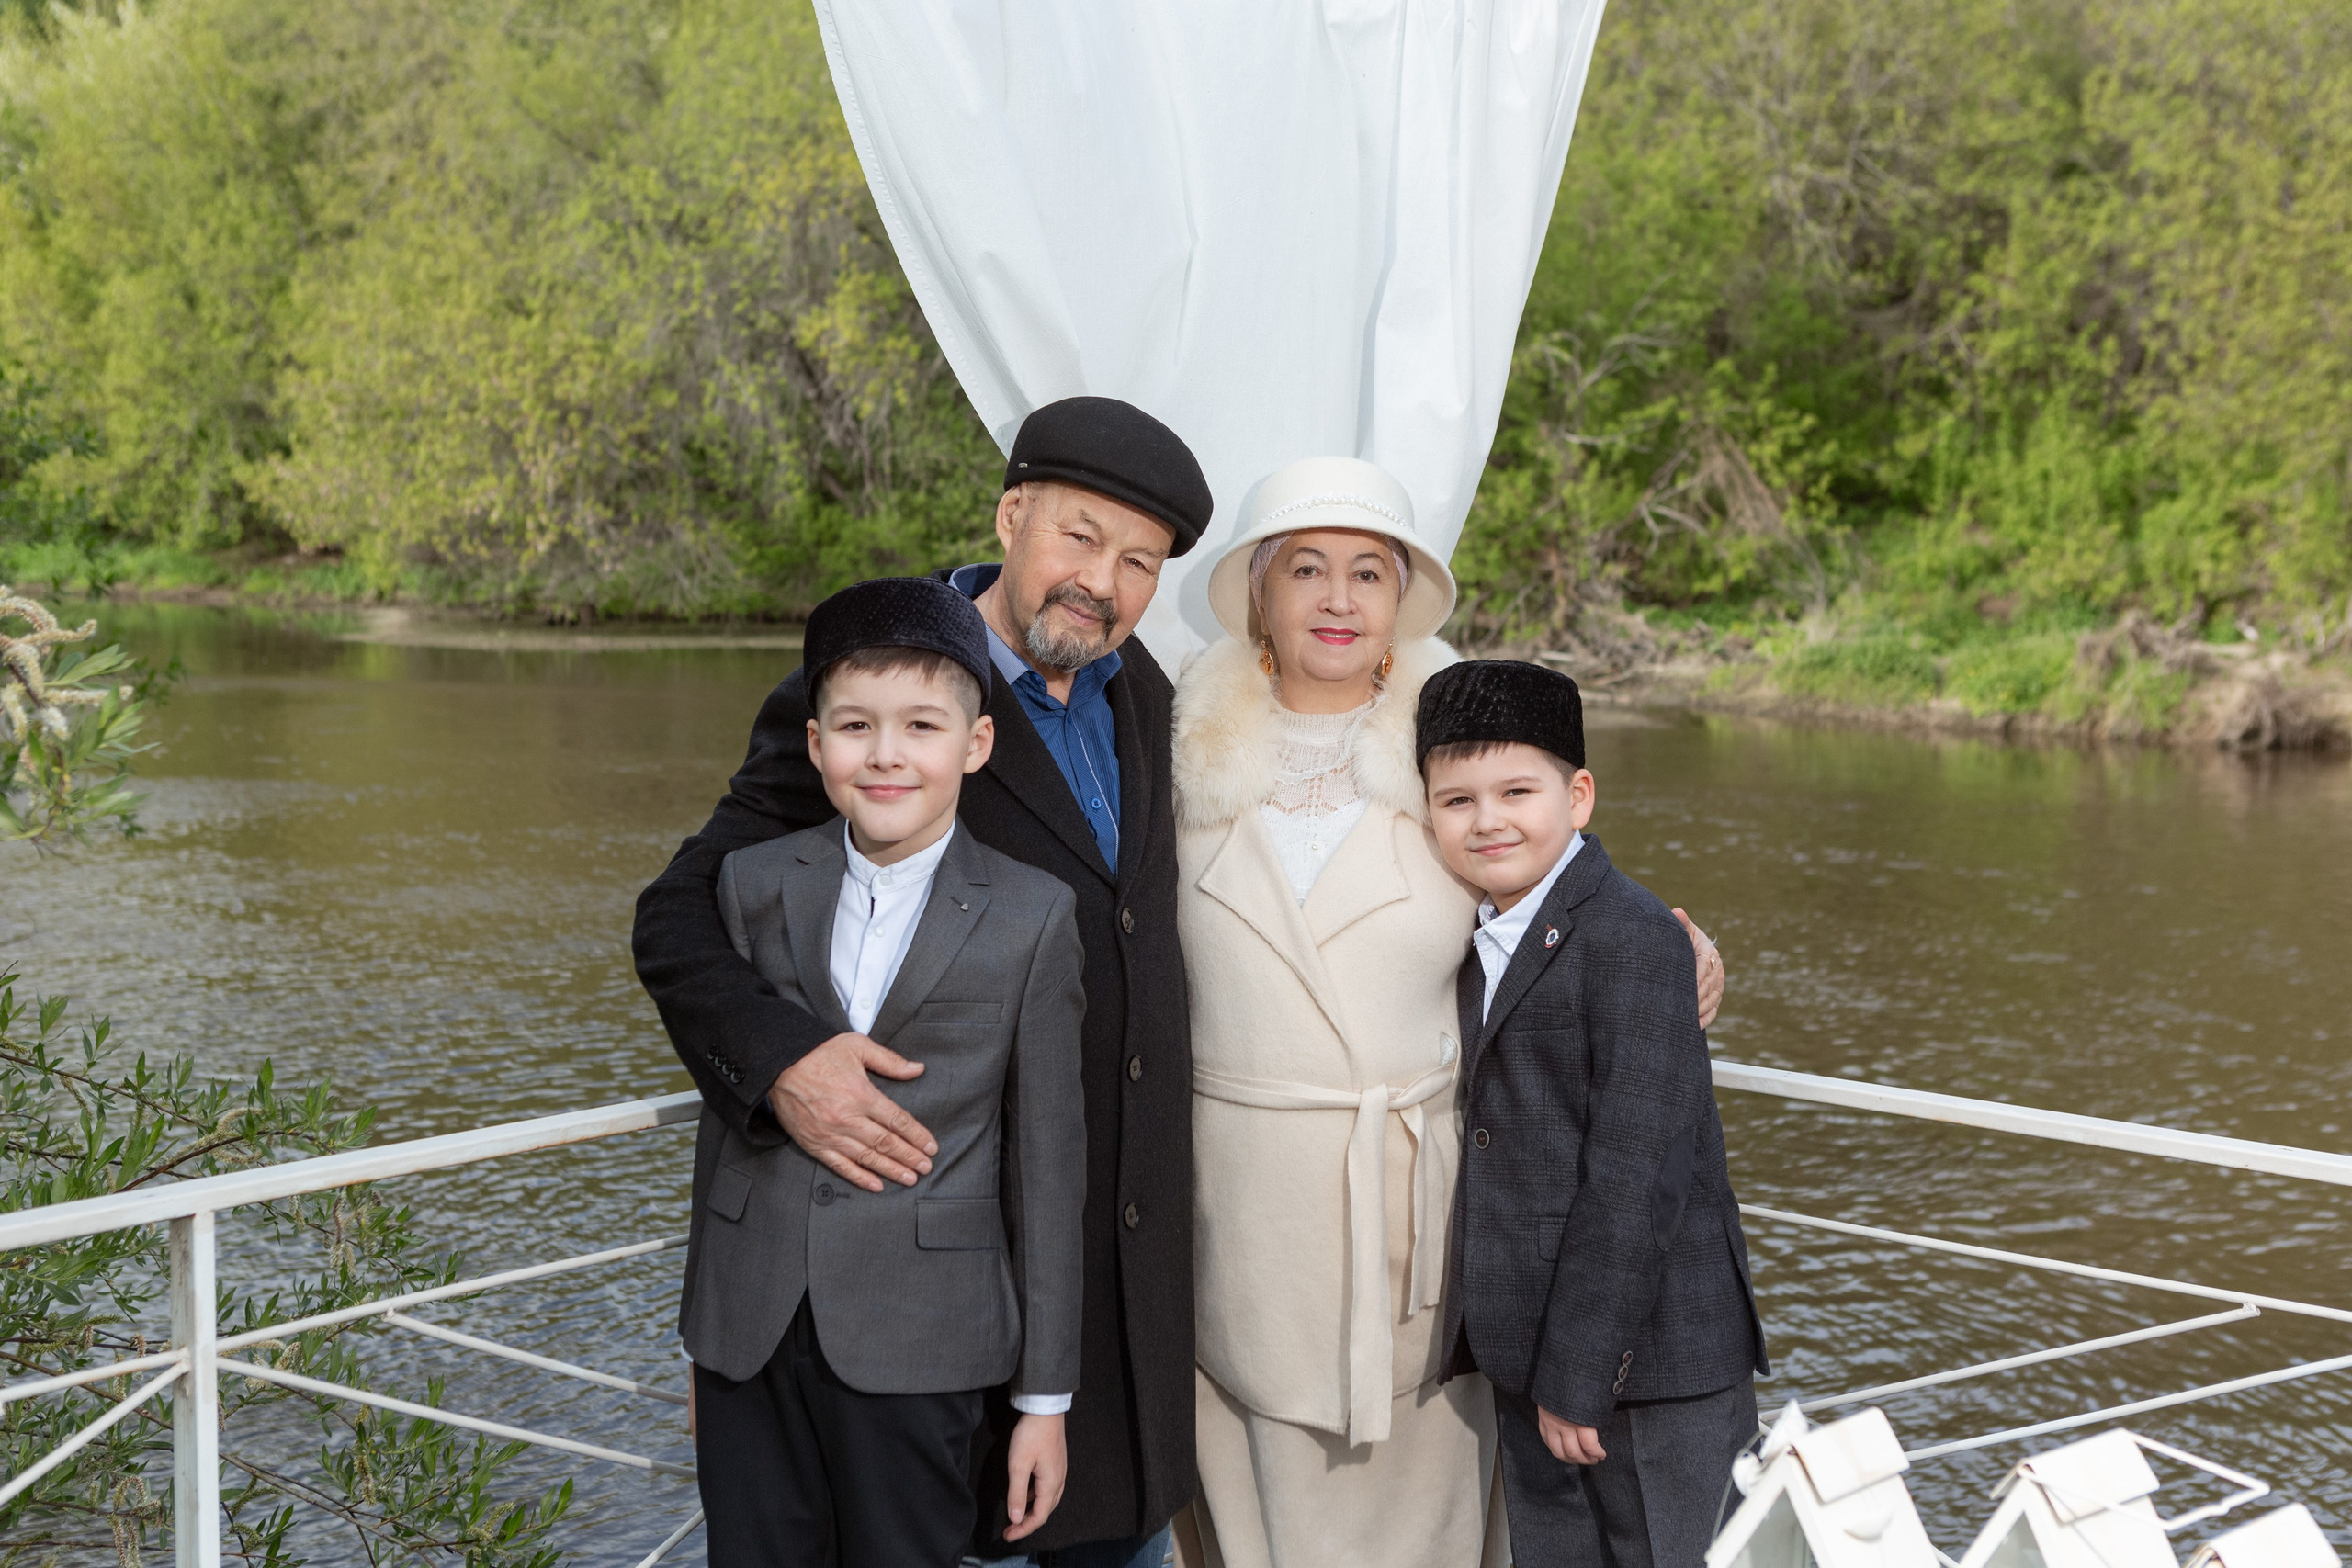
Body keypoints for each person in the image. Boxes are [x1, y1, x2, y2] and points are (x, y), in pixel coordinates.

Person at [635, 396, 1212, 1566]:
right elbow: (680, 916)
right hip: (930, 1290)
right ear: (1010, 516)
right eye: (1079, 537)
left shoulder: (1147, 695)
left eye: (1139, 562)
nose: (1100, 582)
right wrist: (783, 1064)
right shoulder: (877, 696)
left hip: (1116, 1280)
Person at [1165, 459, 1725, 1568]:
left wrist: (1681, 947)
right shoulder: (1174, 753)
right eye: (1305, 570)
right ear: (1258, 594)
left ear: (1400, 600)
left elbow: (1553, 872)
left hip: (1418, 1217)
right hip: (1235, 1213)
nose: (1337, 598)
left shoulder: (1445, 747)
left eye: (1367, 573)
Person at [680, 577, 1088, 1567]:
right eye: (856, 726)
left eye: (920, 726)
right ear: (816, 742)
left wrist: (1044, 1400)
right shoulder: (753, 882)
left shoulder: (1034, 914)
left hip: (925, 1335)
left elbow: (1046, 1166)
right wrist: (701, 1337)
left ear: (975, 744)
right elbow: (723, 1127)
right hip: (750, 1331)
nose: (886, 754)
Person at [1419, 659, 1770, 1568]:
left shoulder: (1635, 936)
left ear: (1577, 797)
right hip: (1533, 1356)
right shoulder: (1477, 933)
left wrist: (1577, 1374)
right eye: (1456, 800)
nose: (1487, 819)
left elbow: (1639, 1175)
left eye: (1516, 792)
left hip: (1647, 1365)